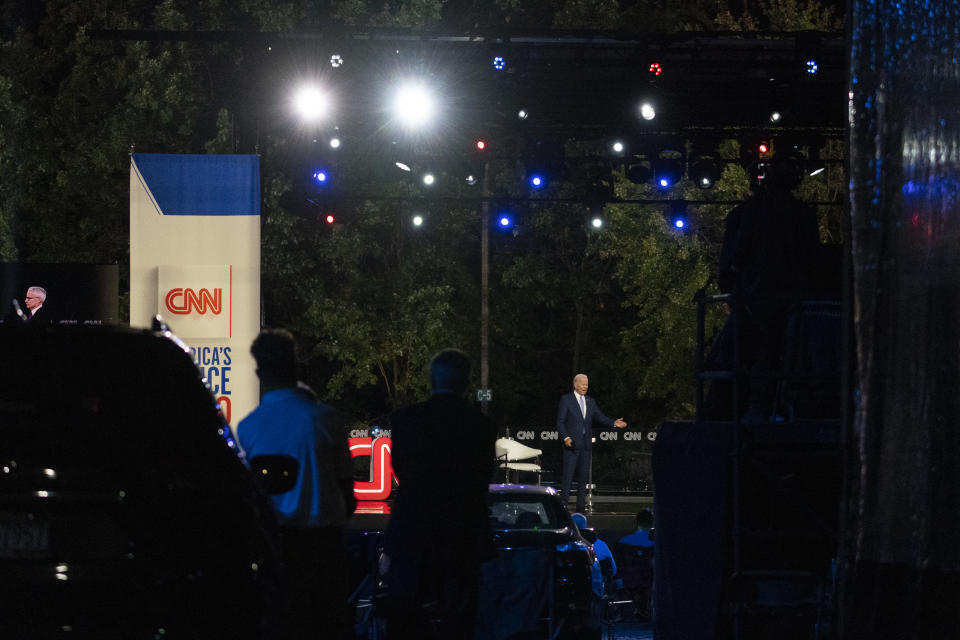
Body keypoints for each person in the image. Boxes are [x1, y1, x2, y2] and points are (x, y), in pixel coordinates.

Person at [236, 329, 356, 640]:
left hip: (276, 550)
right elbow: (347, 494)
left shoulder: (247, 428)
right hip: (324, 547)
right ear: (296, 367)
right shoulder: (326, 419)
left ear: (260, 372)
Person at [381, 349, 496, 640]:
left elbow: (402, 470)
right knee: (460, 620)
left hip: (413, 533)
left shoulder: (405, 420)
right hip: (462, 536)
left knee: (405, 617)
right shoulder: (481, 426)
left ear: (431, 379)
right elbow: (482, 478)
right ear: (466, 382)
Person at [708, 157, 820, 422]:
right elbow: (814, 260)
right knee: (783, 359)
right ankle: (774, 407)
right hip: (791, 302)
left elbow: (736, 256)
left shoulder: (749, 212)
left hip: (756, 300)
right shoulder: (803, 214)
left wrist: (737, 286)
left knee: (738, 359)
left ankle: (740, 411)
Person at [556, 374, 626, 513]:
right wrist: (566, 438)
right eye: (582, 384)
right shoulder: (566, 399)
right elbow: (560, 422)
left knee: (583, 479)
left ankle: (581, 510)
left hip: (586, 446)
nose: (585, 387)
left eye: (587, 384)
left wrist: (613, 422)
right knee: (568, 478)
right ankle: (561, 509)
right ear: (575, 384)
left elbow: (600, 417)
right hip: (571, 445)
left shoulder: (590, 401)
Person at [572, 512, 617, 599]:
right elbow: (613, 570)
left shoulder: (565, 545)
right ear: (585, 526)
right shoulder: (601, 544)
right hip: (597, 592)